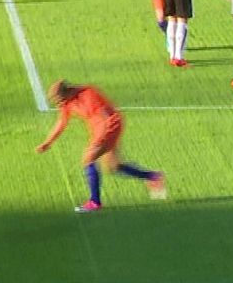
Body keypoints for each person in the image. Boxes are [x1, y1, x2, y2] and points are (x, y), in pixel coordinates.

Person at [36, 80, 167, 213]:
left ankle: (94, 202)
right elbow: (61, 122)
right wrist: (48, 142)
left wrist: (100, 139)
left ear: (68, 92)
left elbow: (104, 115)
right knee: (113, 166)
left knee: (88, 158)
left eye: (60, 101)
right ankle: (153, 177)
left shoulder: (88, 94)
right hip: (98, 128)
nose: (60, 105)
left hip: (110, 125)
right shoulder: (66, 103)